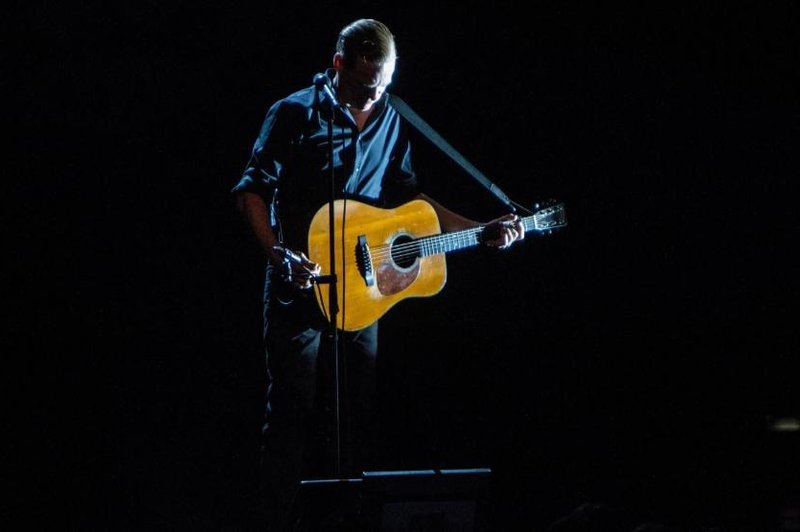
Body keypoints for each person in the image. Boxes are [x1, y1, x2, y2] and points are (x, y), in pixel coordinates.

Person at [232, 18, 525, 530]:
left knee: (354, 419)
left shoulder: (391, 117)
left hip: (364, 289)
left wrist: (482, 229)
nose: (373, 99)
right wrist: (279, 255)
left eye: (383, 87)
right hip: (298, 285)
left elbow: (412, 203)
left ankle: (344, 521)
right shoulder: (295, 112)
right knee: (291, 416)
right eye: (365, 88)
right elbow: (250, 191)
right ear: (339, 64)